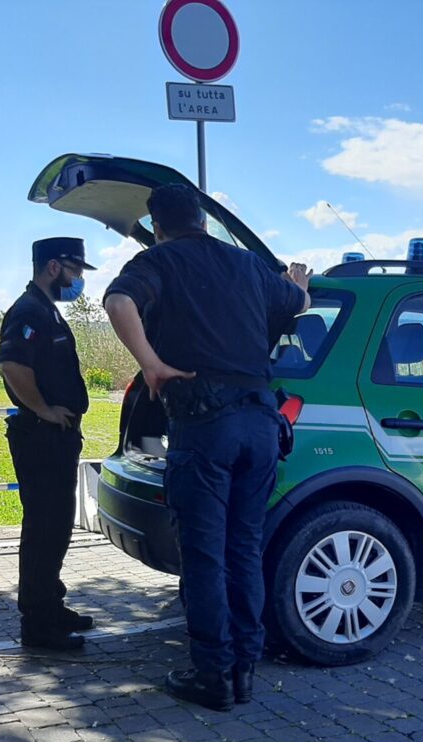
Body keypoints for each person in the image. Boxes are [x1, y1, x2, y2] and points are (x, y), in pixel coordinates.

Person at [104, 183, 310, 710]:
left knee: (204, 554)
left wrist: (151, 364)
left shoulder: (161, 261)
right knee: (244, 548)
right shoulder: (246, 265)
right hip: (261, 425)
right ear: (201, 218)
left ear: (158, 227)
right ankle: (244, 670)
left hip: (204, 428)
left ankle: (212, 676)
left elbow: (118, 300)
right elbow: (300, 302)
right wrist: (298, 281)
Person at [0, 238, 96, 651]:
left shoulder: (46, 310)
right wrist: (43, 411)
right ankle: (38, 624)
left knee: (55, 528)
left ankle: (50, 605)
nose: (77, 281)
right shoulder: (30, 311)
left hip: (54, 437)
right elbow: (13, 366)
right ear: (54, 267)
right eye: (75, 271)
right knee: (43, 528)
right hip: (41, 437)